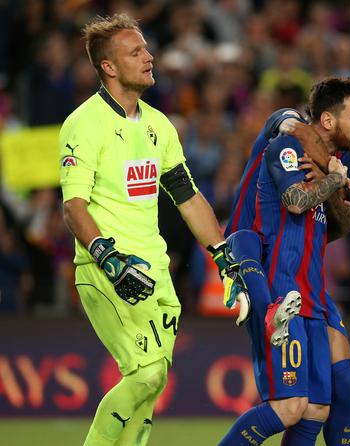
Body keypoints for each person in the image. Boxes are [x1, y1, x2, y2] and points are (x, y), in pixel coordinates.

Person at [59, 14, 241, 445]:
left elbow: (189, 197)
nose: (149, 56)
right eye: (136, 52)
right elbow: (73, 207)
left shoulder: (160, 126)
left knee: (151, 385)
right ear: (108, 66)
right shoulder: (84, 125)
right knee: (148, 373)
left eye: (147, 49)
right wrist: (108, 256)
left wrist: (222, 253)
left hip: (155, 271)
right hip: (109, 270)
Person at [217, 77, 350, 446]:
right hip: (277, 283)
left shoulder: (345, 161)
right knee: (290, 407)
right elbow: (297, 202)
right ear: (329, 120)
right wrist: (334, 180)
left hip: (313, 289)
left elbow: (327, 228)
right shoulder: (286, 145)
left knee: (320, 406)